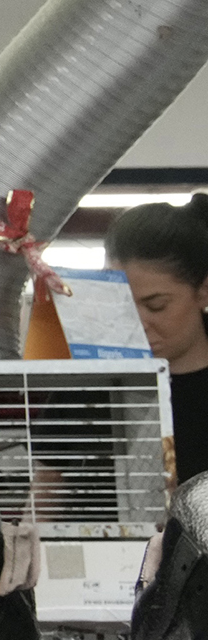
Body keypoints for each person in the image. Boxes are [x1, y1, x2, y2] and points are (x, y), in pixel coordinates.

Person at [107, 196, 208, 483]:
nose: (137, 324)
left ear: (203, 291)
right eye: (122, 304)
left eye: (156, 305)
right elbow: (50, 481)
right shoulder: (92, 377)